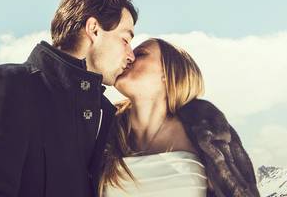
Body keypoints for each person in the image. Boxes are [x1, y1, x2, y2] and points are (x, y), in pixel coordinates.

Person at [0, 0, 138, 197]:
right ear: (94, 29)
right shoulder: (9, 86)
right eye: (125, 40)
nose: (131, 55)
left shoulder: (108, 115)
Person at [100, 38, 258, 197]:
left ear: (169, 72)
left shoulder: (208, 129)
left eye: (140, 54)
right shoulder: (101, 129)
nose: (129, 57)